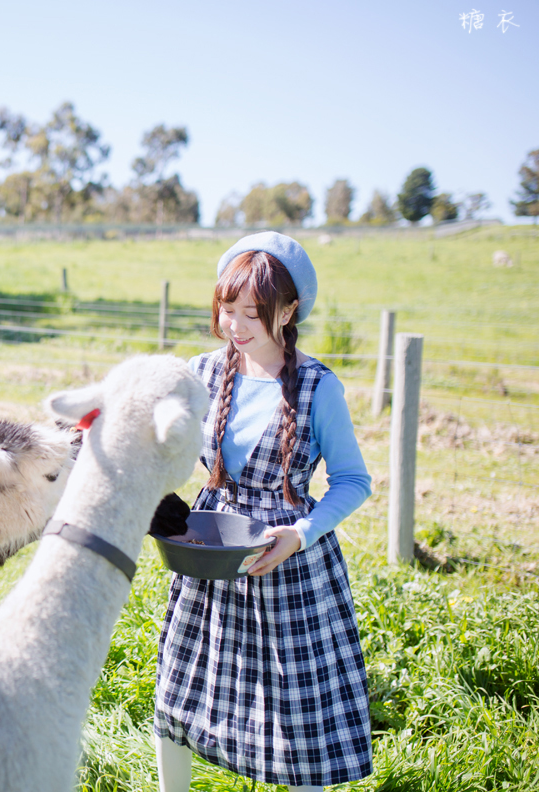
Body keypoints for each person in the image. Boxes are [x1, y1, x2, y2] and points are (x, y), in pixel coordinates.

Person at [153, 232, 373, 792]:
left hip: (287, 559)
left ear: (290, 309)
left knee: (295, 711)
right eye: (228, 309)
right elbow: (153, 443)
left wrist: (301, 534)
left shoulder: (319, 387)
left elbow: (353, 482)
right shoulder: (201, 374)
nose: (237, 324)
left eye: (254, 311)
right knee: (180, 690)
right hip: (209, 549)